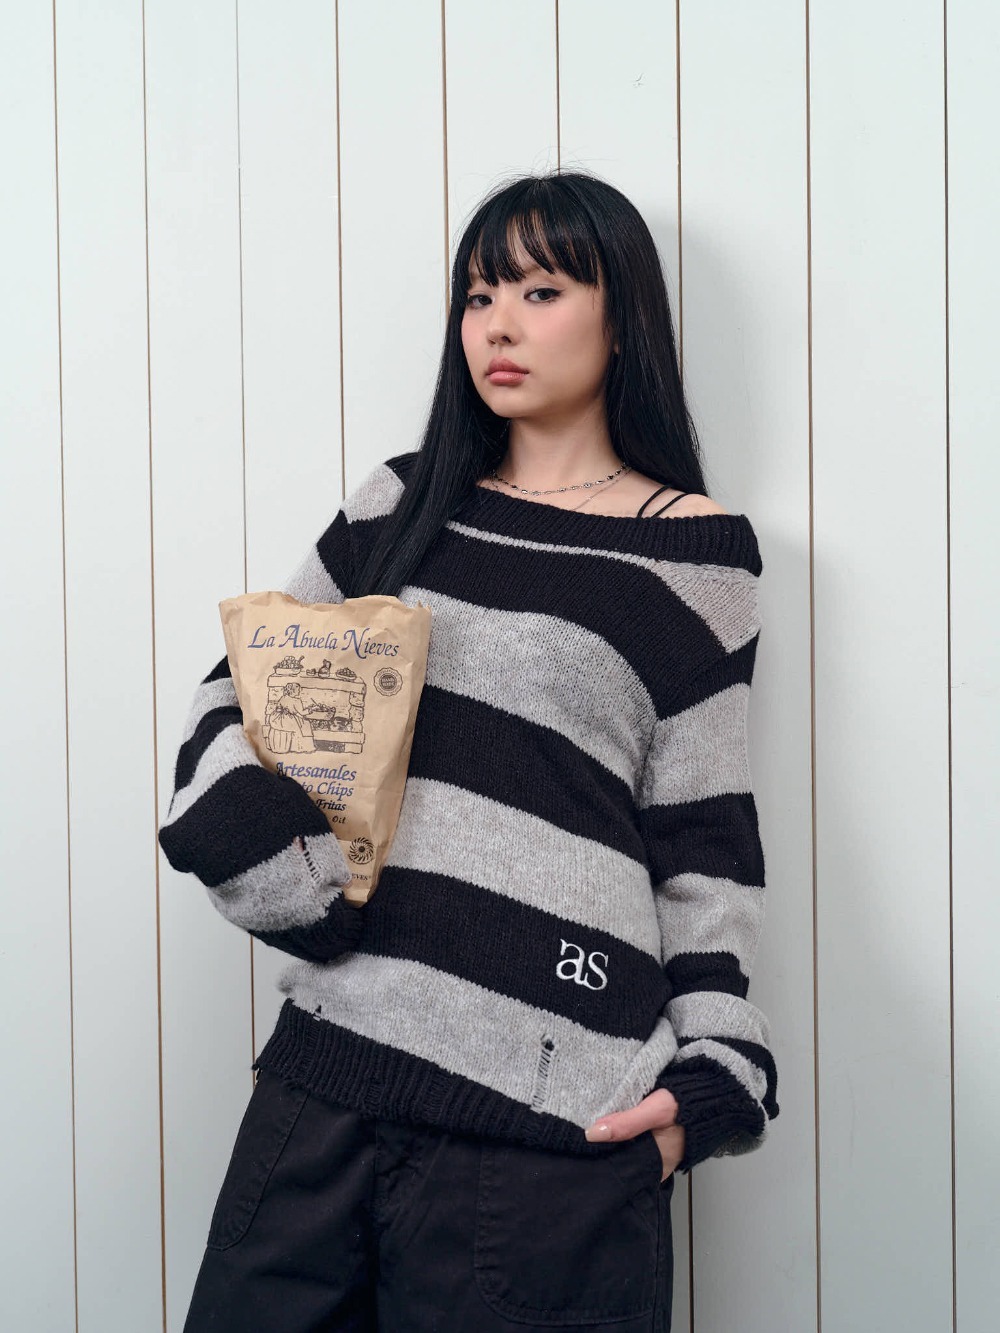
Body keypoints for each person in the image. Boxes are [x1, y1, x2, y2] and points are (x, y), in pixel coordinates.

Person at [159, 169, 780, 1332]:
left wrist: (711, 1077)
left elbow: (705, 845)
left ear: (622, 317)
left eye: (540, 291)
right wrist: (291, 880)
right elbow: (237, 700)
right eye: (479, 294)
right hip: (325, 1087)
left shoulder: (698, 556)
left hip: (551, 1138)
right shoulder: (400, 504)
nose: (498, 323)